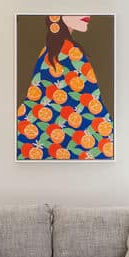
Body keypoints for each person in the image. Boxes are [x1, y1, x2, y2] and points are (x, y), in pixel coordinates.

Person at [16, 15, 114, 160]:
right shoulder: (71, 52)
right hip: (67, 140)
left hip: (40, 139)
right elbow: (92, 104)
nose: (86, 14)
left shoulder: (49, 51)